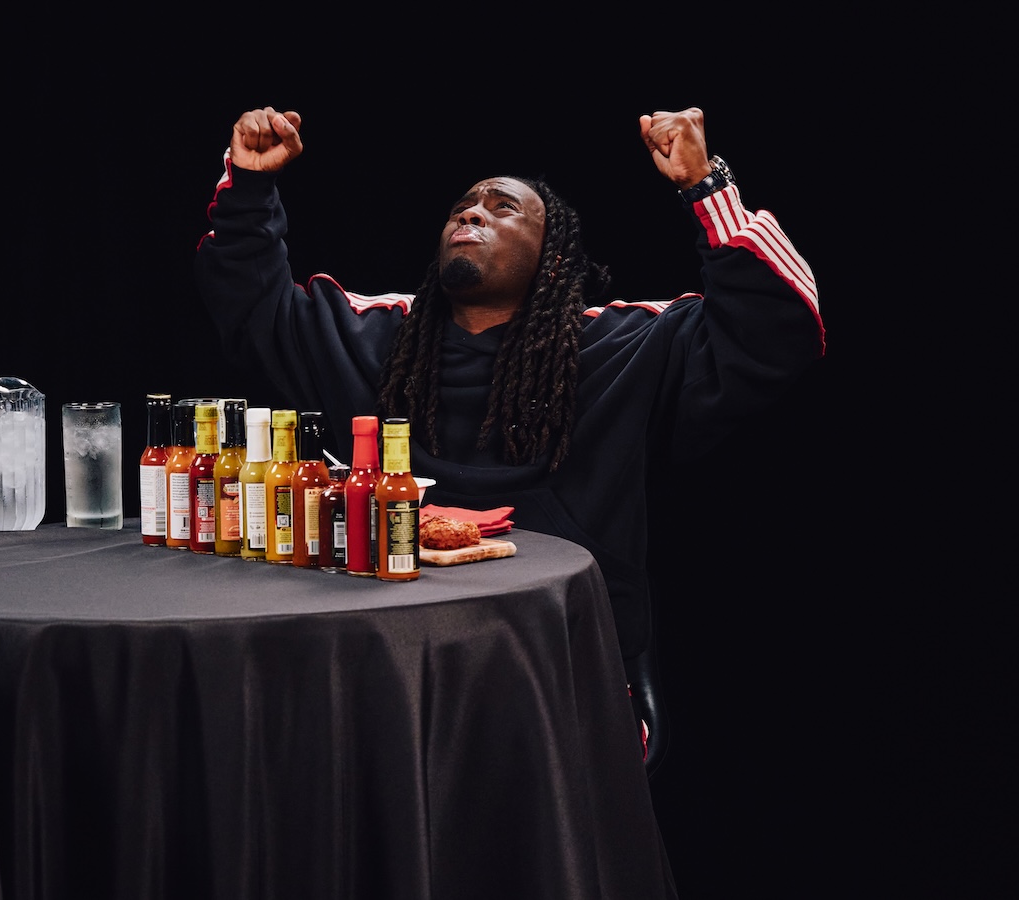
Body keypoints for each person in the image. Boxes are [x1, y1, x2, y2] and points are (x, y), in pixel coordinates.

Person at [194, 104, 825, 770]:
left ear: (552, 260)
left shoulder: (622, 343)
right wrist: (250, 184)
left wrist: (706, 187)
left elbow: (778, 324)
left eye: (503, 208)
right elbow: (250, 303)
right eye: (463, 206)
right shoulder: (376, 333)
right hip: (382, 657)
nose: (472, 213)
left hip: (555, 662)